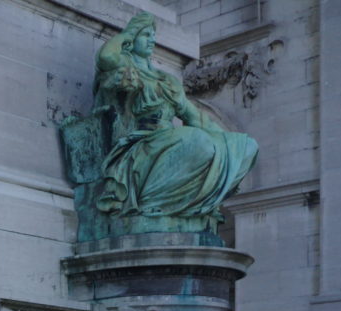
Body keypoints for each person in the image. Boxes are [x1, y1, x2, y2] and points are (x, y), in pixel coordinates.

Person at [94, 12, 256, 223]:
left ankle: (183, 204)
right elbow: (106, 57)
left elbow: (194, 116)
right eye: (146, 35)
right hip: (140, 144)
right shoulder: (125, 71)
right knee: (198, 141)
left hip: (167, 142)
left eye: (153, 35)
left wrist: (229, 143)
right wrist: (128, 34)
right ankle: (150, 204)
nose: (152, 40)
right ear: (133, 38)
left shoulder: (167, 81)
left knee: (246, 146)